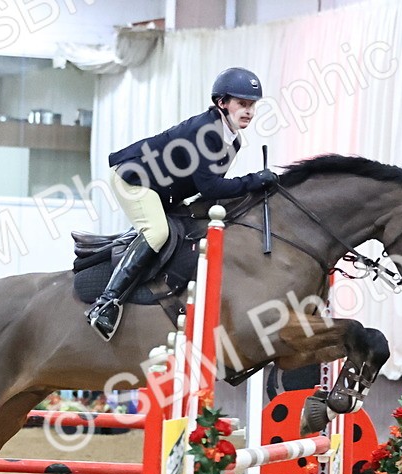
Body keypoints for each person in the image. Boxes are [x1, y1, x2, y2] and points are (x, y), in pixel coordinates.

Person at [85, 67, 279, 341]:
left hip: (164, 191)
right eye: (242, 104)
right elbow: (211, 187)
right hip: (136, 180)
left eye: (252, 105)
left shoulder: (232, 140)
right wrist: (253, 181)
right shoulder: (207, 132)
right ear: (221, 102)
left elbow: (209, 194)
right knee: (157, 232)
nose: (248, 111)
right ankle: (106, 303)